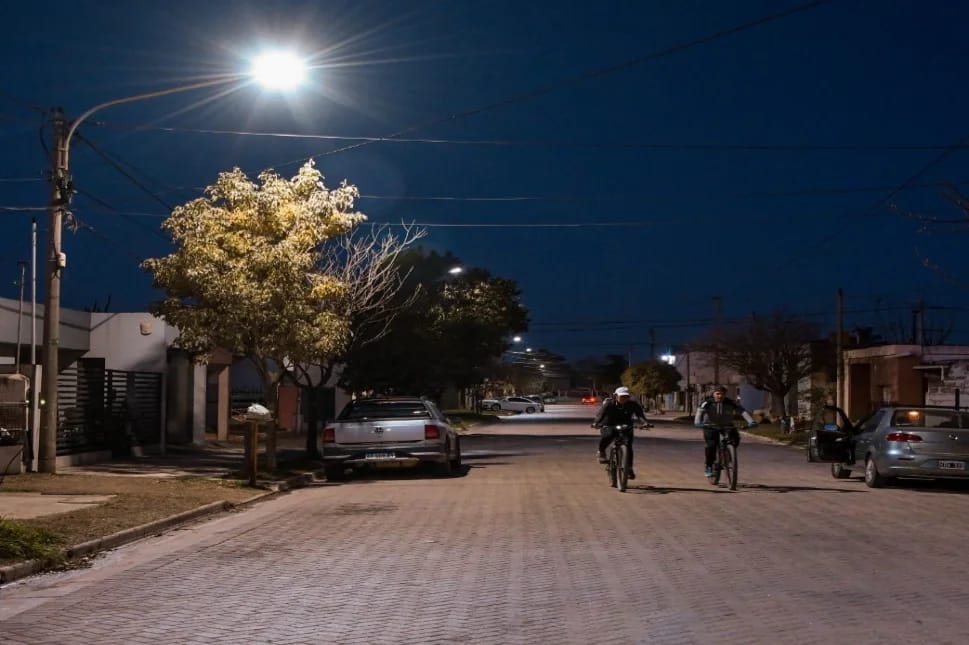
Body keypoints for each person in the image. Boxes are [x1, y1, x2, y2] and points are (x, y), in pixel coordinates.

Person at [694, 385, 757, 478]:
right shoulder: (707, 403)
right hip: (710, 426)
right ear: (713, 394)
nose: (720, 396)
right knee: (711, 445)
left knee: (735, 439)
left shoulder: (731, 403)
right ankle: (709, 466)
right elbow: (699, 412)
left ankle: (728, 456)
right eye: (718, 394)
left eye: (722, 394)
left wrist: (751, 421)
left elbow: (742, 411)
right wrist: (698, 422)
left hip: (727, 426)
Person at [592, 386, 651, 479]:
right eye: (621, 396)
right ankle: (601, 451)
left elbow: (640, 415)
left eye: (626, 396)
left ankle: (629, 468)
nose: (624, 398)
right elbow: (600, 414)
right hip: (609, 424)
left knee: (628, 446)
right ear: (615, 396)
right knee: (609, 435)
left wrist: (645, 423)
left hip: (626, 425)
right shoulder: (609, 404)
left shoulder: (633, 404)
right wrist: (596, 423)